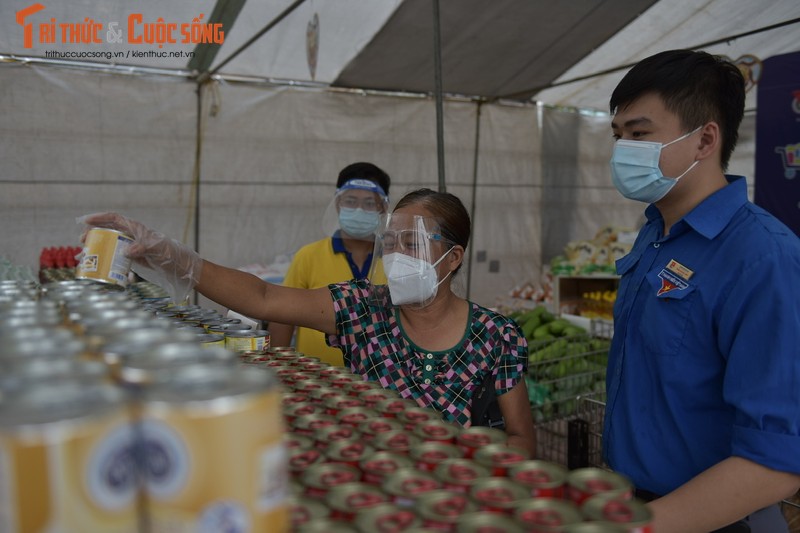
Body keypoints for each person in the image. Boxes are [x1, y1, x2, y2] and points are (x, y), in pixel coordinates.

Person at [79, 188, 537, 456]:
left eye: (412, 243)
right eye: (390, 242)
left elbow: (520, 437)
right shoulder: (363, 309)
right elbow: (262, 297)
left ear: (453, 257)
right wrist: (173, 257)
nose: (396, 256)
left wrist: (467, 465)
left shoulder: (496, 337)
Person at [605, 49, 800, 532]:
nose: (622, 150)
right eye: (618, 136)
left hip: (717, 519)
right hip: (642, 505)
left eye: (639, 133)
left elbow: (775, 459)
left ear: (705, 139)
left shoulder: (763, 257)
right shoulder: (656, 231)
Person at [269, 162, 391, 366]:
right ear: (337, 203)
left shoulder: (393, 260)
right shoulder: (308, 256)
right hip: (315, 377)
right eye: (350, 201)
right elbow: (282, 317)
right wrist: (277, 370)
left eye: (370, 203)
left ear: (383, 208)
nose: (359, 210)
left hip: (382, 381)